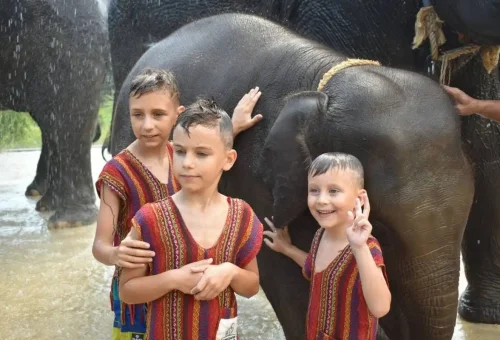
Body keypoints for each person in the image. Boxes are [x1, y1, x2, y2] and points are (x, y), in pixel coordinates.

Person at [92, 68, 262, 340]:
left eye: (158, 115)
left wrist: (235, 125)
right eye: (138, 115)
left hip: (189, 279)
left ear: (176, 115)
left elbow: (205, 143)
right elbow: (100, 245)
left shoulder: (180, 154)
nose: (148, 125)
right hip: (141, 282)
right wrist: (117, 255)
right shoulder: (118, 172)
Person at [264, 152, 391, 340]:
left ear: (360, 199)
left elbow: (380, 307)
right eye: (314, 190)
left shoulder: (367, 246)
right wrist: (287, 249)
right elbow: (316, 270)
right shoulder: (320, 234)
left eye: (333, 191)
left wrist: (359, 247)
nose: (321, 199)